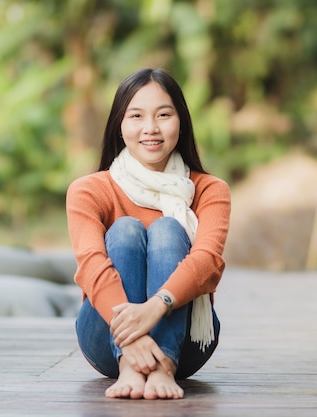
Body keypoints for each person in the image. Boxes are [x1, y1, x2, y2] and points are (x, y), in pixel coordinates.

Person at [66, 68, 231, 400]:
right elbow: (91, 266)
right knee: (126, 229)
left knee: (169, 229)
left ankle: (163, 365)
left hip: (188, 343)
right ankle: (129, 364)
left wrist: (157, 306)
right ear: (119, 125)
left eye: (164, 115)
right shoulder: (89, 190)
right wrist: (133, 336)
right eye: (136, 116)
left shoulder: (209, 190)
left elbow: (208, 262)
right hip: (104, 335)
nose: (150, 128)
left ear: (180, 121)